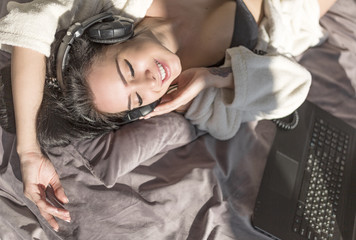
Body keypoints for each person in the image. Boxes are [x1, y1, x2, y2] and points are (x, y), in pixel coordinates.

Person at [0, 0, 337, 232]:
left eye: (129, 68)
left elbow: (33, 24)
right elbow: (294, 87)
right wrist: (213, 77)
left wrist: (28, 151)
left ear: (112, 32)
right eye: (136, 98)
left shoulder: (117, 6)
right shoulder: (191, 98)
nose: (150, 82)